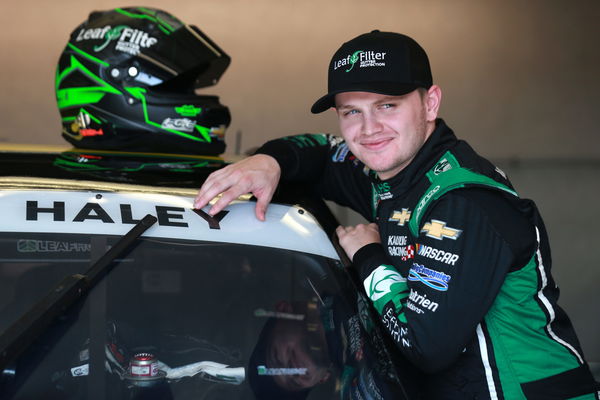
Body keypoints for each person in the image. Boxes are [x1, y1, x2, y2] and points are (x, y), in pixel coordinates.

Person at [195, 30, 600, 399]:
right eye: (351, 111)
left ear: (430, 103)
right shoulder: (390, 173)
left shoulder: (463, 201)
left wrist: (368, 257)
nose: (368, 128)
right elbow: (319, 152)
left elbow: (424, 345)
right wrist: (269, 161)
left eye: (387, 105)